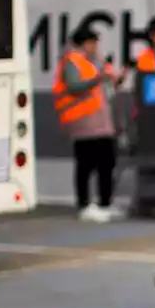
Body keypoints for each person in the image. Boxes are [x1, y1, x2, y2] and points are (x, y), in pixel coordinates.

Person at [54, 26, 126, 223]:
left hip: (101, 122)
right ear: (83, 43)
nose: (95, 47)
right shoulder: (71, 61)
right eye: (92, 43)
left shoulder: (92, 62)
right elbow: (74, 86)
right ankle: (84, 204)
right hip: (82, 123)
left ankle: (105, 203)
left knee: (107, 163)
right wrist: (99, 77)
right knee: (85, 165)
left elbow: (105, 86)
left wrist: (116, 77)